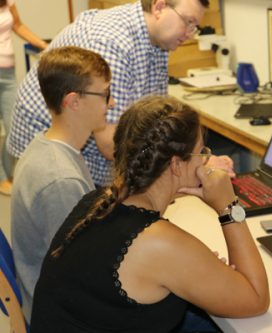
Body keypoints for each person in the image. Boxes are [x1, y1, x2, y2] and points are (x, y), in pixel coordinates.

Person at [30, 95, 270, 332]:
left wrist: (193, 266)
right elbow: (256, 300)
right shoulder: (159, 243)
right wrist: (228, 206)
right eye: (201, 153)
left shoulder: (98, 200)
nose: (205, 161)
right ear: (176, 165)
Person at [7, 0, 234, 187]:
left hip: (84, 151)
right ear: (158, 7)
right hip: (52, 162)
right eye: (188, 22)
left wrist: (191, 161)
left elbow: (155, 122)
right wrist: (193, 164)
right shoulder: (112, 42)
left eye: (194, 27)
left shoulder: (159, 40)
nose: (189, 34)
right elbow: (111, 145)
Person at [11, 46, 114, 321]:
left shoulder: (50, 146)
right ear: (74, 101)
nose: (111, 103)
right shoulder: (60, 179)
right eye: (104, 94)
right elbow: (84, 275)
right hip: (65, 316)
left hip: (64, 297)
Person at [0, 0, 48, 195]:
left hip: (8, 73)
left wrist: (44, 46)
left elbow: (18, 25)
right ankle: (1, 177)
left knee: (13, 124)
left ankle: (10, 171)